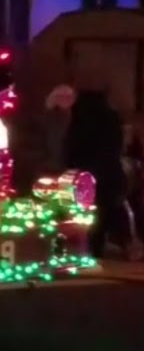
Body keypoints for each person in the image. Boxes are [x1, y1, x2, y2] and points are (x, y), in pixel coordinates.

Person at [64, 89, 126, 258]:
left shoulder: (78, 118)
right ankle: (95, 250)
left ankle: (85, 250)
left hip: (82, 175)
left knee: (85, 217)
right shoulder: (111, 118)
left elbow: (70, 147)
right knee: (101, 216)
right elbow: (115, 146)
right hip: (107, 175)